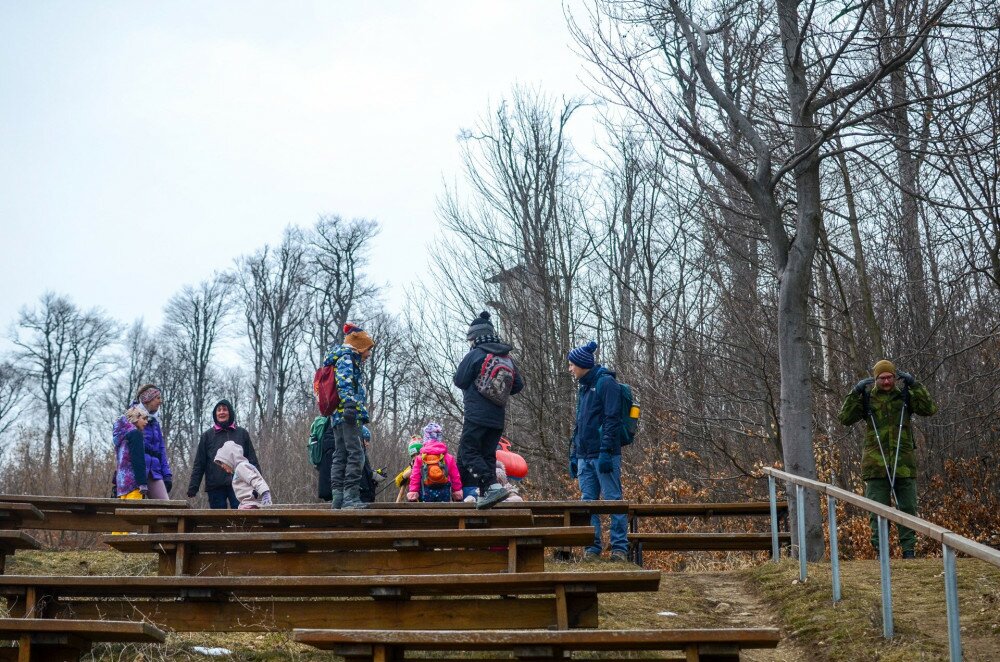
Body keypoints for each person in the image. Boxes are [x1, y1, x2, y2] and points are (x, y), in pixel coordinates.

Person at [838, 359, 937, 558]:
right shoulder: (867, 399)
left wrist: (915, 385)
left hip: (903, 464)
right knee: (877, 511)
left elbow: (929, 409)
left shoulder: (905, 397)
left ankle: (909, 551)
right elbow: (845, 418)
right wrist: (855, 392)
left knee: (908, 508)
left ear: (895, 378)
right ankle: (881, 552)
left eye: (889, 377)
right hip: (876, 465)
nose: (885, 382)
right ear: (875, 379)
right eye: (881, 378)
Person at [453, 311, 524, 509]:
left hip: (476, 415)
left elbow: (459, 380)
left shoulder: (475, 354)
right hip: (497, 417)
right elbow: (518, 385)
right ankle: (487, 494)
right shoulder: (506, 357)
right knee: (487, 454)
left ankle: (492, 487)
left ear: (474, 337)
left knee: (468, 452)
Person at [568, 341, 628, 562]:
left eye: (572, 364)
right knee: (588, 503)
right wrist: (574, 454)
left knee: (613, 500)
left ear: (583, 364)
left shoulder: (607, 383)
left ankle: (619, 548)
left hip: (605, 455)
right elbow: (579, 424)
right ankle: (592, 549)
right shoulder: (583, 388)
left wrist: (605, 452)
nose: (569, 368)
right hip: (585, 457)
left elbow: (612, 420)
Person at [324, 323, 375, 510]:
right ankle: (350, 498)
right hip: (348, 413)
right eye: (368, 349)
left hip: (338, 415)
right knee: (356, 453)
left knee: (341, 454)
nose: (368, 355)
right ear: (359, 346)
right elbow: (344, 383)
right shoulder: (347, 358)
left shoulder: (339, 357)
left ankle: (338, 498)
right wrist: (350, 406)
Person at [186, 399, 260, 509]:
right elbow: (199, 463)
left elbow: (252, 460)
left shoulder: (242, 433)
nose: (221, 412)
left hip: (240, 484)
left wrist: (257, 483)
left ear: (230, 412)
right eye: (219, 410)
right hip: (215, 486)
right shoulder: (207, 436)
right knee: (218, 521)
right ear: (215, 414)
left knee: (241, 518)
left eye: (224, 409)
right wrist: (193, 486)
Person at [132, 384, 172, 500]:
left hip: (154, 472)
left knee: (166, 507)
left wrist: (167, 474)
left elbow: (161, 450)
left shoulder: (155, 422)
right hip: (136, 471)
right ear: (147, 399)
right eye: (158, 398)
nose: (161, 401)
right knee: (133, 510)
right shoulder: (132, 417)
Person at [407, 422, 463, 502]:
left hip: (426, 491)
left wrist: (413, 492)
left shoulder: (420, 458)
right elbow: (455, 476)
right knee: (443, 511)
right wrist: (456, 491)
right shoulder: (448, 457)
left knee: (427, 511)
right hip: (444, 491)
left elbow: (415, 476)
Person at [214, 440, 272, 509]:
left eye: (222, 463)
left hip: (251, 503)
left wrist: (265, 492)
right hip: (247, 503)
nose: (221, 466)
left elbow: (255, 479)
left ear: (229, 459)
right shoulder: (239, 469)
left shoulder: (242, 467)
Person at [113, 406, 149, 500]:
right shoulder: (136, 434)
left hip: (122, 486)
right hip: (133, 484)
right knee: (133, 514)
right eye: (144, 419)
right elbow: (138, 459)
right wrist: (142, 483)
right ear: (136, 418)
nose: (146, 422)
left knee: (124, 513)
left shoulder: (122, 435)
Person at [359, 426, 387, 504]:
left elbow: (366, 472)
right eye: (366, 440)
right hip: (361, 496)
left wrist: (374, 474)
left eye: (369, 441)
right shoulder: (355, 454)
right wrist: (373, 475)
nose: (368, 444)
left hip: (366, 495)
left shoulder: (363, 454)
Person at [394, 436, 424, 502]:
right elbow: (397, 481)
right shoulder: (411, 466)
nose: (415, 457)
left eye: (418, 454)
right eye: (413, 455)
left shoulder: (428, 464)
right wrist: (404, 476)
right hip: (415, 500)